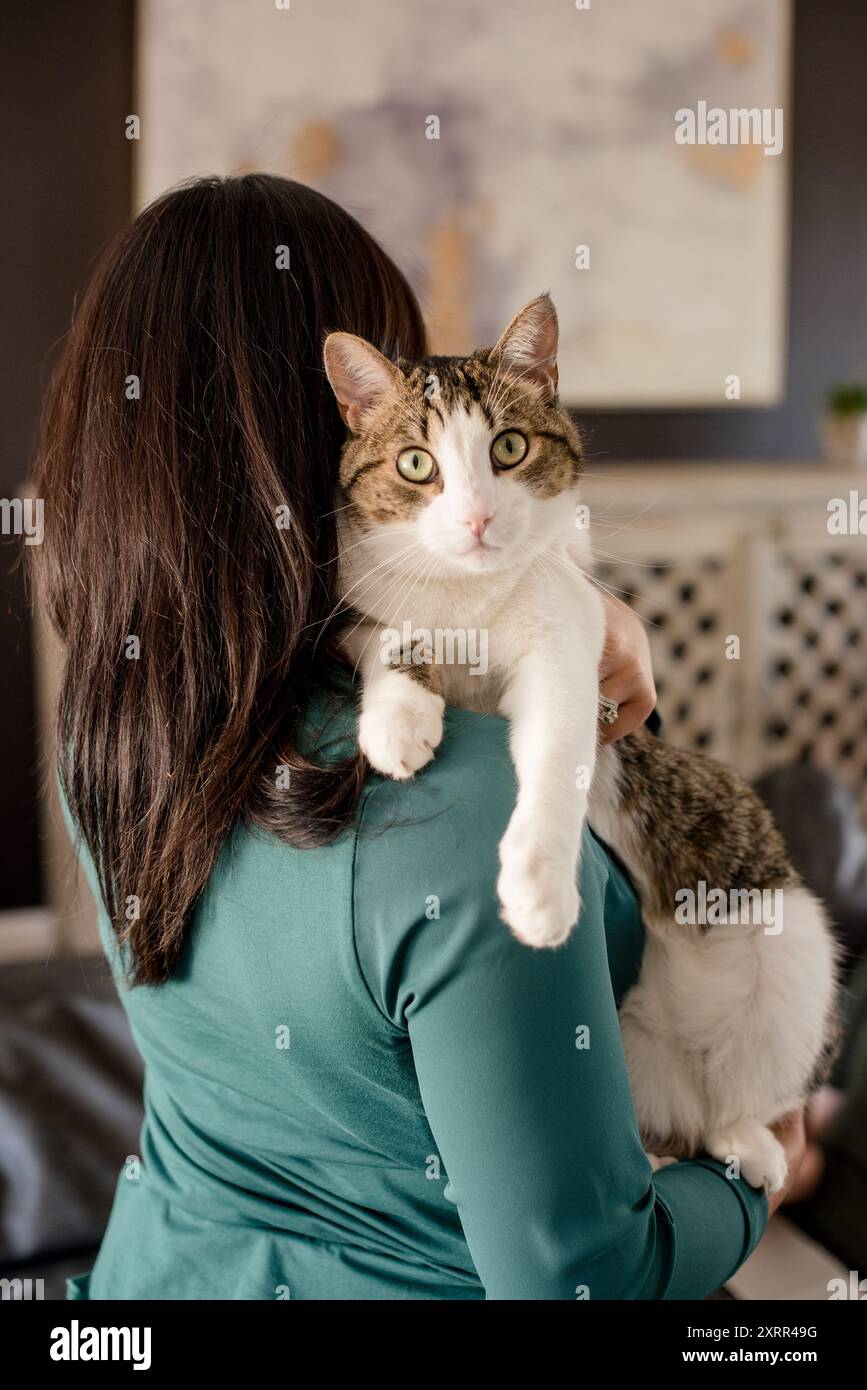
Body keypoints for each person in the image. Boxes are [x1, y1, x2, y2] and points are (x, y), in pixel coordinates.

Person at [31, 174, 805, 1300]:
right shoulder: (465, 807)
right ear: (335, 432)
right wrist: (756, 1175)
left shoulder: (105, 737)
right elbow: (582, 1272)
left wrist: (568, 613)